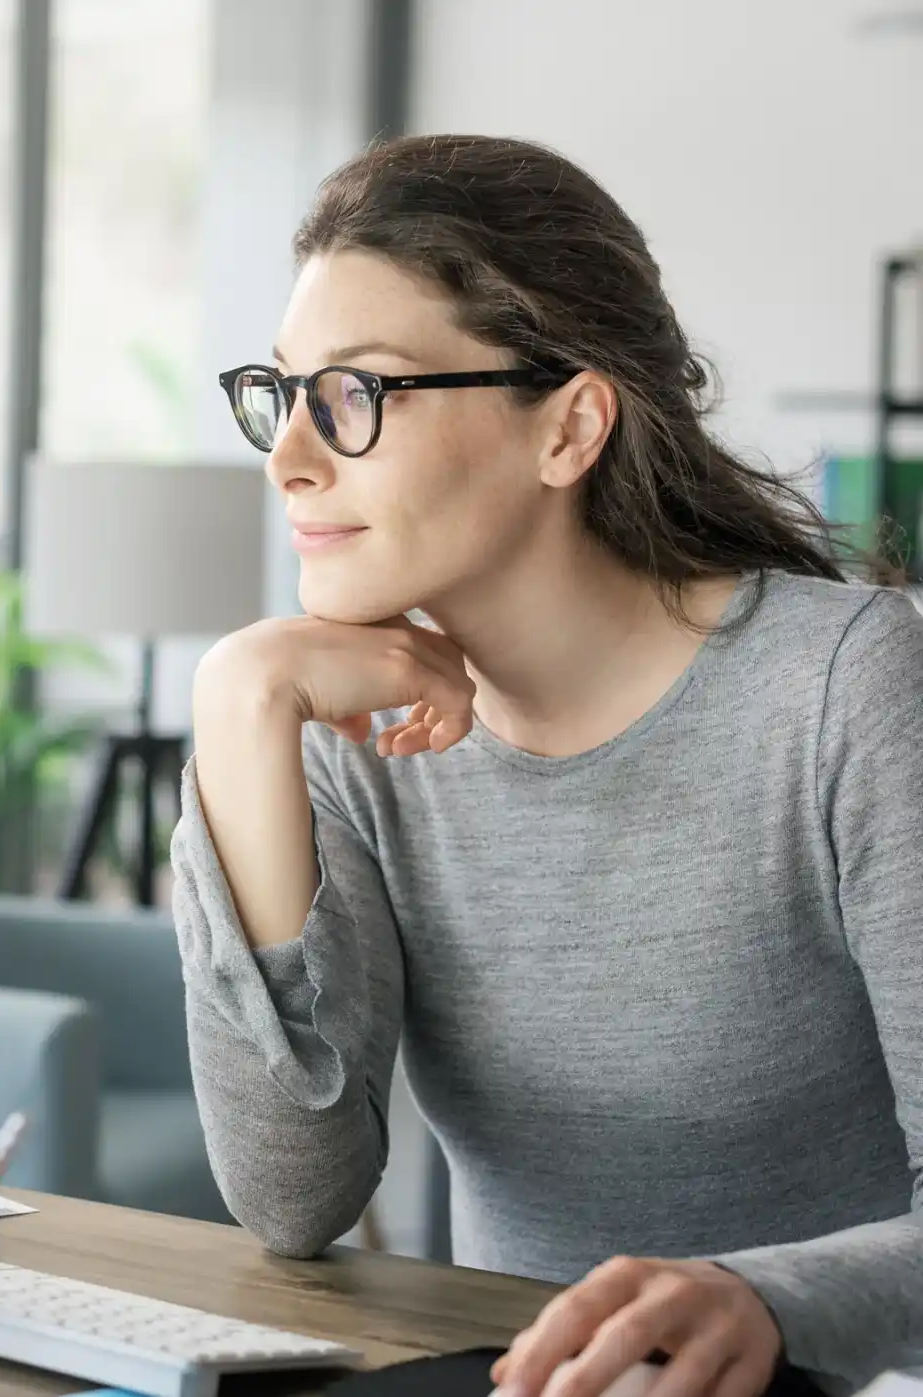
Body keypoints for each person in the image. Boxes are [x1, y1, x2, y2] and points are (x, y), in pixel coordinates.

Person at [176, 133, 921, 1397]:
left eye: (355, 392)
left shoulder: (843, 687)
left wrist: (762, 1297)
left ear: (569, 426)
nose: (287, 455)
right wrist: (238, 708)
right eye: (281, 392)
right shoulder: (346, 730)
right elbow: (292, 1198)